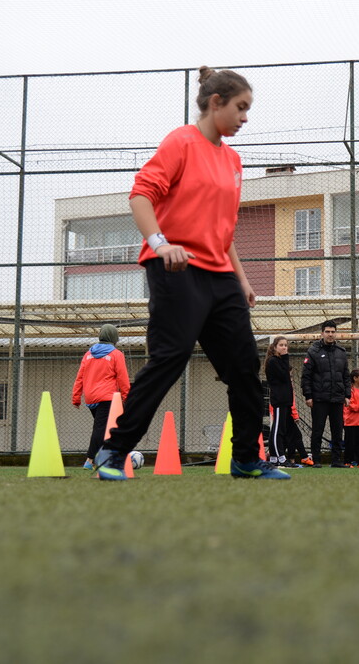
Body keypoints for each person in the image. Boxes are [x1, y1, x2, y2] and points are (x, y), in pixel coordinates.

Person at [95, 67, 288, 480]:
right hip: (175, 268)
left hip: (220, 276)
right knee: (170, 357)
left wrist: (241, 278)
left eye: (248, 109)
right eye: (240, 107)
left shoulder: (233, 160)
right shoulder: (180, 141)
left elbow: (223, 229)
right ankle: (112, 453)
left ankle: (246, 460)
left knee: (243, 368)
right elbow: (141, 196)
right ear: (215, 102)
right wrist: (161, 243)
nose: (245, 118)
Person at [72, 324, 131, 471]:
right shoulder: (116, 355)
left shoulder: (88, 354)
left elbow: (80, 377)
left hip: (91, 398)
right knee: (101, 429)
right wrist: (127, 397)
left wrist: (76, 397)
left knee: (107, 429)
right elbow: (123, 378)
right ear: (114, 338)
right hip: (108, 397)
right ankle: (89, 460)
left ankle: (104, 459)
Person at [302, 320, 351, 468]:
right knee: (317, 430)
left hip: (337, 398)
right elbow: (306, 376)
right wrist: (308, 395)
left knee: (337, 431)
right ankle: (316, 460)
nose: (330, 334)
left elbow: (346, 376)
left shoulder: (341, 353)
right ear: (322, 333)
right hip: (319, 399)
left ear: (336, 333)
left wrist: (347, 395)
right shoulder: (313, 351)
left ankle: (336, 460)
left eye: (333, 332)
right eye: (327, 332)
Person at [264, 336, 310, 468]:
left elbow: (286, 376)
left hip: (285, 401)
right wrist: (285, 357)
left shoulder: (279, 361)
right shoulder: (273, 361)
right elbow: (284, 376)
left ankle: (274, 458)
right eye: (281, 345)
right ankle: (279, 457)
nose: (284, 348)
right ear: (275, 347)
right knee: (278, 430)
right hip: (279, 401)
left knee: (280, 429)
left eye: (286, 345)